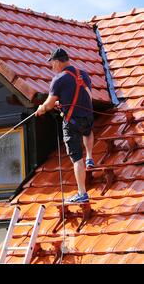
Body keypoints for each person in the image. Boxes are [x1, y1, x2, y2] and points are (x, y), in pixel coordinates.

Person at [36, 48, 95, 203]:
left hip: (72, 122)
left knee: (76, 158)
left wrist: (41, 109)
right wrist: (62, 103)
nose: (52, 67)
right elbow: (85, 94)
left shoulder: (59, 79)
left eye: (52, 63)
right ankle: (90, 157)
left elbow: (48, 104)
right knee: (88, 132)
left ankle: (82, 193)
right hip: (87, 117)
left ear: (57, 61)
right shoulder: (83, 74)